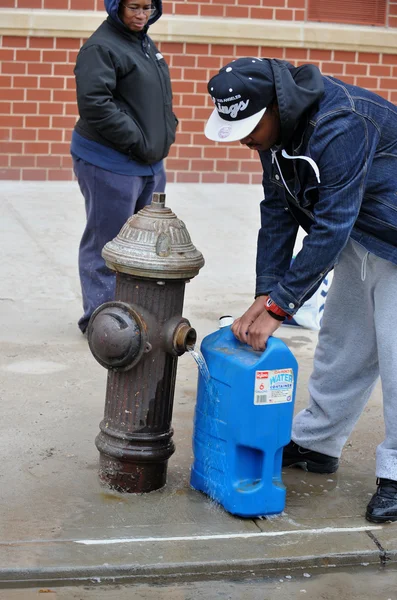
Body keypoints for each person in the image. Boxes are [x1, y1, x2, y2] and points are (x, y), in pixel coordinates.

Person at [204, 57, 397, 523]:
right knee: (342, 343)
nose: (247, 139)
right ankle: (317, 443)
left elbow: (331, 222)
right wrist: (265, 291)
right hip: (364, 234)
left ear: (276, 105)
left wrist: (280, 306)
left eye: (251, 127)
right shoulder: (279, 130)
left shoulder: (343, 121)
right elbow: (278, 209)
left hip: (384, 235)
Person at [71, 0, 177, 334]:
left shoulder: (143, 41)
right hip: (108, 161)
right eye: (133, 6)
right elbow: (95, 105)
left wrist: (167, 128)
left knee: (144, 244)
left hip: (147, 164)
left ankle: (134, 316)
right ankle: (102, 323)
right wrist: (137, 139)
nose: (141, 14)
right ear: (116, 6)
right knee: (107, 243)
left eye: (148, 7)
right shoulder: (101, 47)